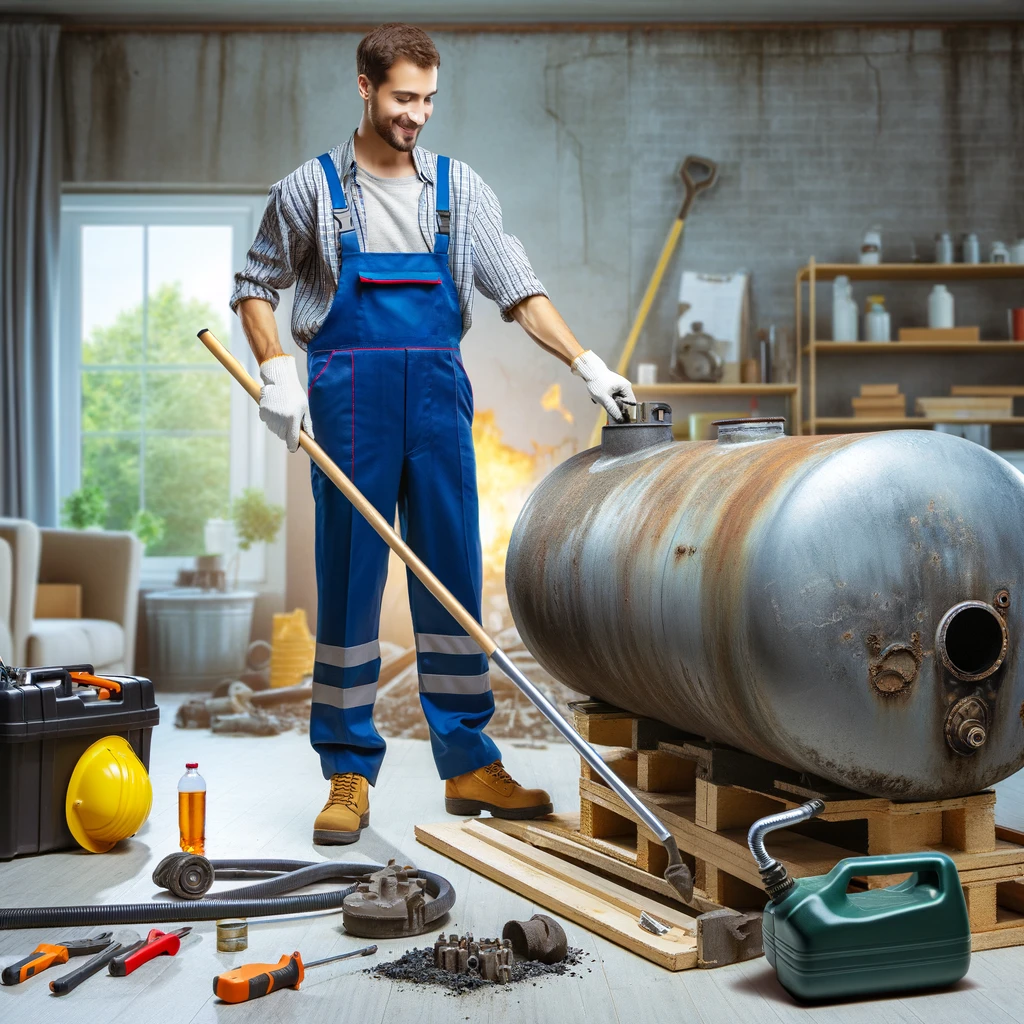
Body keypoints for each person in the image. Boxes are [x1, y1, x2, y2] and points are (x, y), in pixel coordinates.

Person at [232, 23, 635, 845]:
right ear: (364, 87)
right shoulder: (309, 190)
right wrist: (277, 371)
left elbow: (519, 291)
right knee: (348, 581)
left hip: (438, 397)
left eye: (427, 100)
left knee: (452, 575)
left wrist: (587, 362)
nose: (416, 115)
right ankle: (347, 770)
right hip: (347, 398)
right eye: (402, 98)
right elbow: (254, 286)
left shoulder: (460, 191)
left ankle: (468, 763)